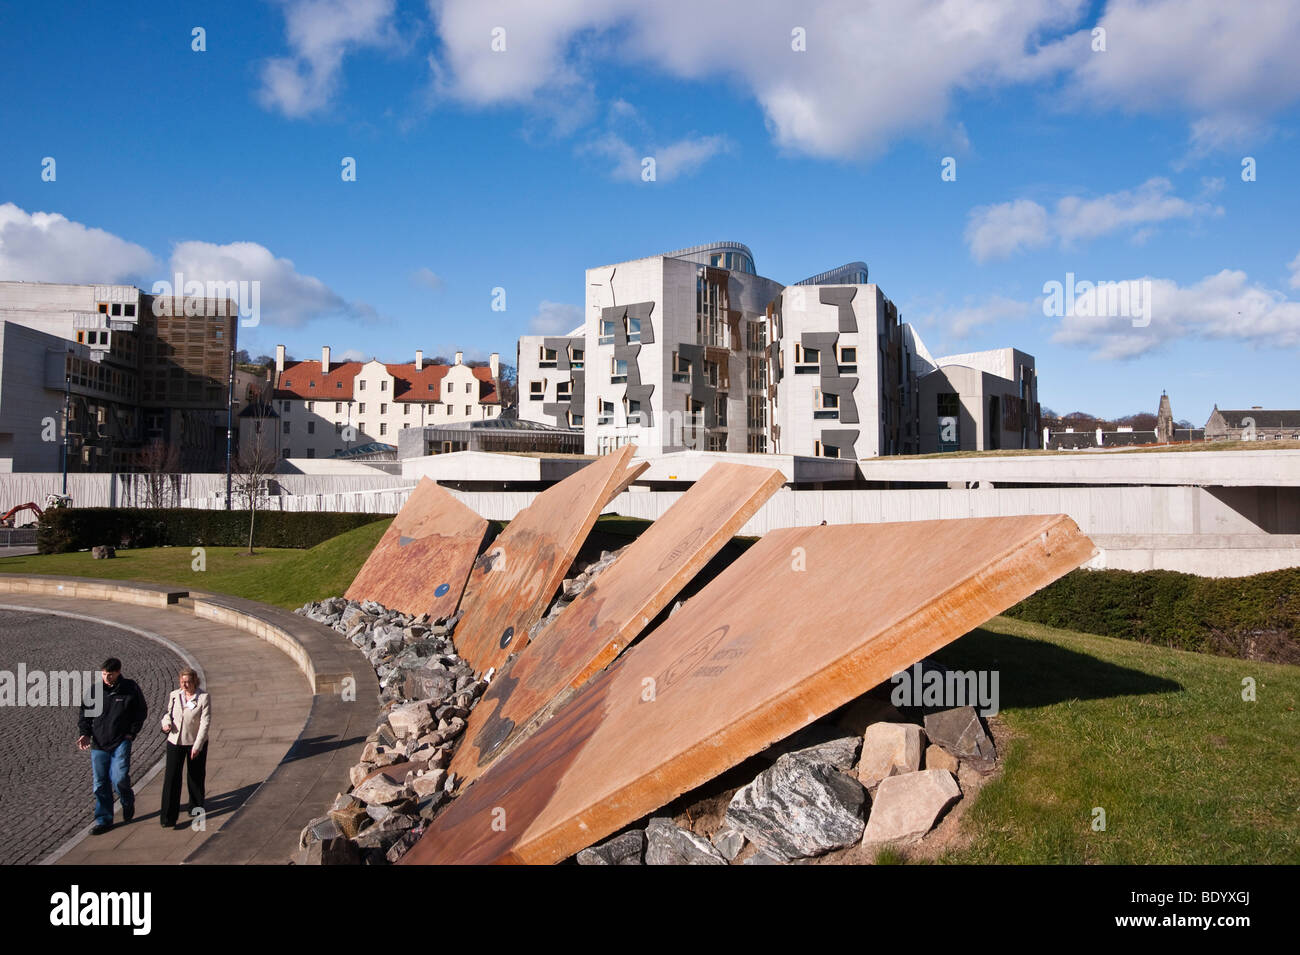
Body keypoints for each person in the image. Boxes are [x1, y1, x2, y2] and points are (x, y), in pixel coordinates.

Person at [77, 656, 147, 835]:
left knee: (119, 778)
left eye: (109, 675)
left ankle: (126, 799)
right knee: (100, 784)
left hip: (121, 741)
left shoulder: (130, 688)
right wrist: (84, 734)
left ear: (118, 672)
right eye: (103, 674)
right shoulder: (95, 691)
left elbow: (140, 712)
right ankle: (104, 820)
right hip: (99, 744)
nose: (106, 678)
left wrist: (131, 733)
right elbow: (85, 715)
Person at [159, 667, 210, 828]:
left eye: (188, 682)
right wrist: (166, 723)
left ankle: (195, 807)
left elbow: (205, 723)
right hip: (175, 741)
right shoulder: (175, 695)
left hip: (194, 742)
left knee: (195, 776)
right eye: (182, 682)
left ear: (195, 681)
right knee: (172, 778)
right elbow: (169, 714)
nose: (185, 685)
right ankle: (168, 817)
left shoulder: (203, 698)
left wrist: (198, 745)